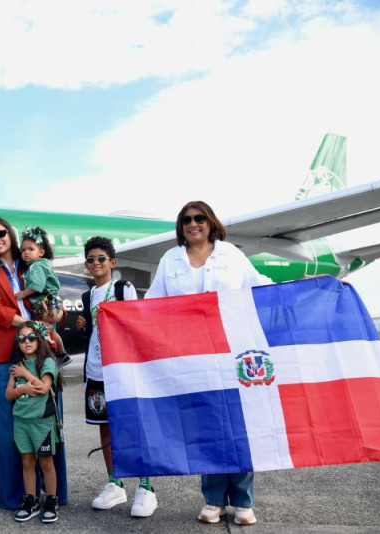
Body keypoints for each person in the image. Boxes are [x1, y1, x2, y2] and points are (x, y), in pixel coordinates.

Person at [145, 200, 272, 526]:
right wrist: (116, 313)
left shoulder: (230, 254)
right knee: (207, 427)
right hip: (192, 355)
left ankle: (243, 501)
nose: (193, 223)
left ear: (210, 222)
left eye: (199, 218)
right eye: (186, 219)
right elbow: (152, 302)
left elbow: (261, 287)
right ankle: (214, 499)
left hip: (231, 351)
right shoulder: (170, 259)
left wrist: (319, 287)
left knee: (237, 427)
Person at [0, 216, 68, 509]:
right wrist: (27, 324)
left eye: (2, 233)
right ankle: (16, 495)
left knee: (48, 415)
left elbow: (52, 295)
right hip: (4, 349)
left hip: (40, 346)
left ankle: (54, 492)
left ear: (10, 235)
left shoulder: (30, 262)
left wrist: (55, 314)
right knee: (9, 424)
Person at [75, 236, 158, 518]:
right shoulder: (87, 297)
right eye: (90, 259)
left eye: (101, 259)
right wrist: (85, 322)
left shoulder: (123, 288)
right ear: (86, 265)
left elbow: (136, 323)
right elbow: (94, 334)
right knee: (105, 426)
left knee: (133, 426)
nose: (96, 263)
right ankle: (115, 483)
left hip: (122, 369)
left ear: (112, 262)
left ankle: (146, 486)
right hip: (96, 370)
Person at [5, 321, 62, 524]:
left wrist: (26, 375)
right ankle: (31, 500)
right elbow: (8, 394)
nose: (26, 342)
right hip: (21, 423)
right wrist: (22, 389)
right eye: (21, 339)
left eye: (31, 337)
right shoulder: (16, 367)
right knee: (27, 461)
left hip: (42, 423)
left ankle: (51, 500)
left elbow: (44, 387)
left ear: (38, 339)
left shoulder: (47, 363)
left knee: (46, 462)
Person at [13, 226, 71, 368]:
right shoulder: (39, 264)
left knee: (45, 329)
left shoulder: (36, 266)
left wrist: (23, 293)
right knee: (51, 329)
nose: (26, 252)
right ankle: (61, 353)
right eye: (23, 250)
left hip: (45, 301)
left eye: (30, 249)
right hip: (50, 300)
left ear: (41, 252)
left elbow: (37, 285)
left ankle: (55, 353)